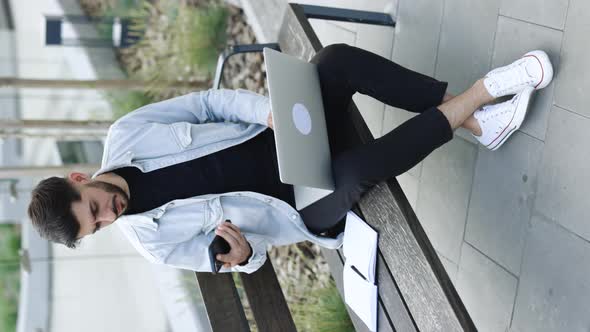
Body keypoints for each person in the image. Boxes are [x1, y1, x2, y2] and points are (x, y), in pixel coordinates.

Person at [27, 44, 553, 273]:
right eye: (97, 226)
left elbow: (209, 103)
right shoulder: (155, 245)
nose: (109, 215)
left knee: (334, 62)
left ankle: (476, 121)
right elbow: (248, 259)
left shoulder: (128, 133)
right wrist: (240, 257)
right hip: (301, 203)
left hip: (289, 131)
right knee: (353, 172)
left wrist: (270, 111)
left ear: (80, 178)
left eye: (93, 205)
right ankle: (482, 95)